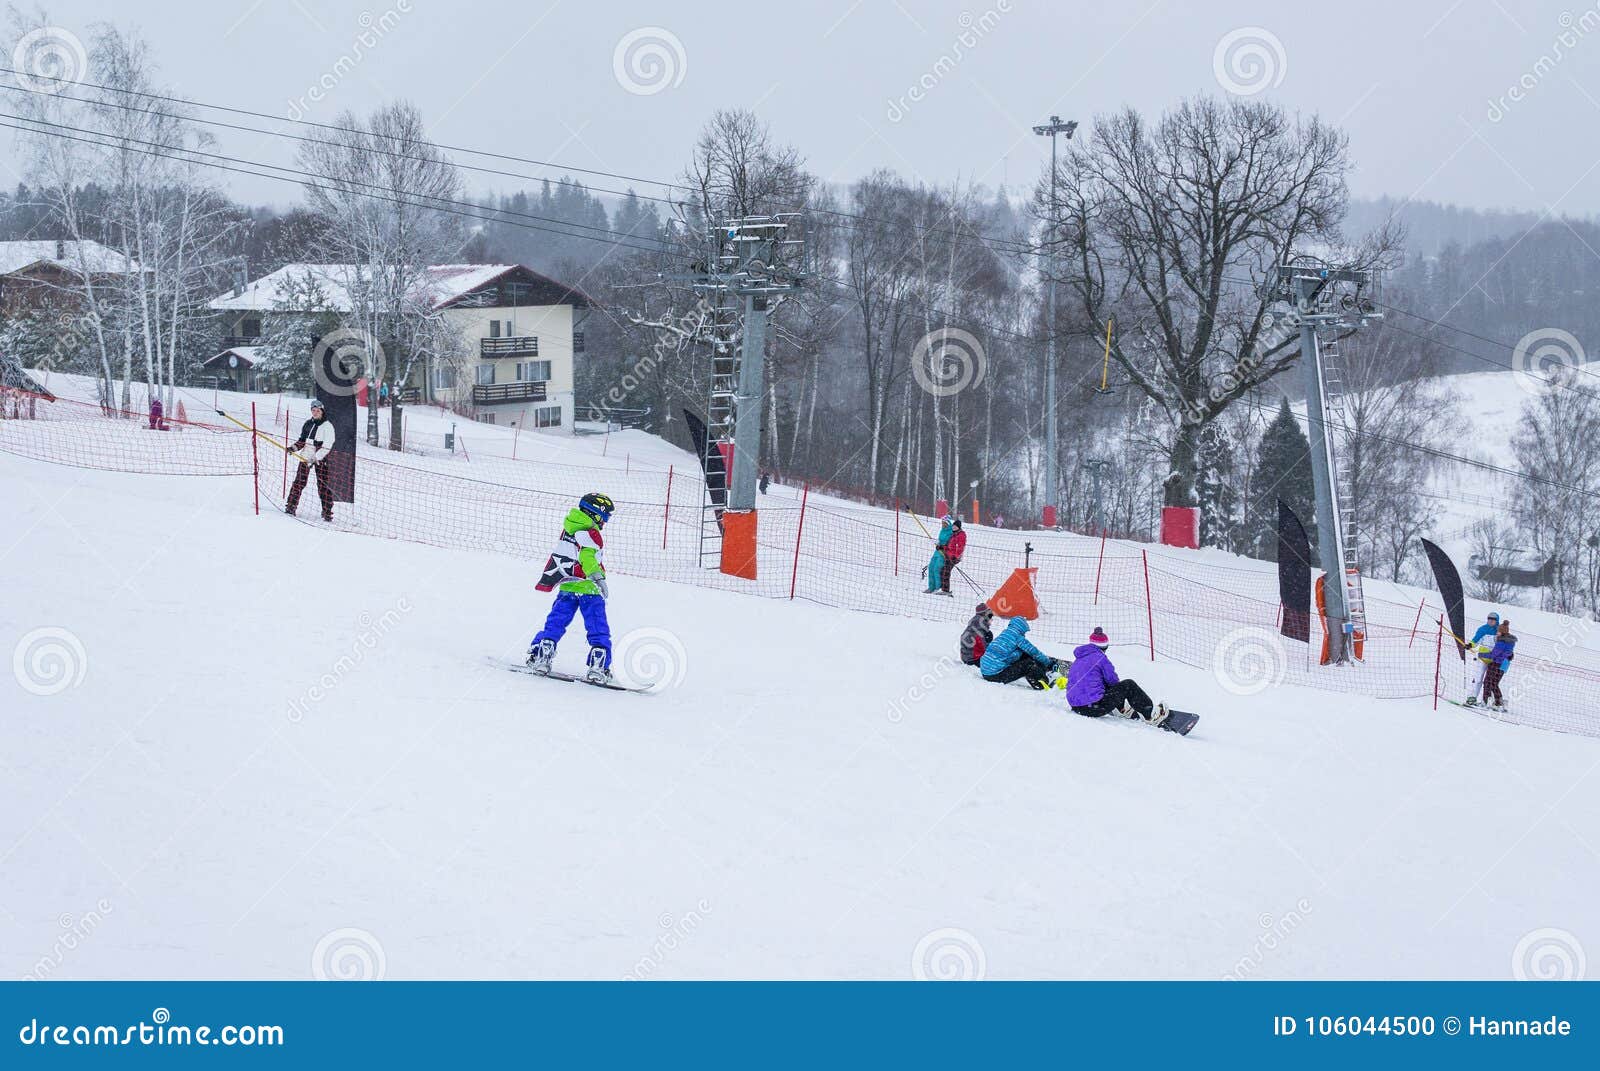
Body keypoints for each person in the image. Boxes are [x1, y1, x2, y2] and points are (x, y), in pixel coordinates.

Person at [529, 492, 616, 683]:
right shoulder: (591, 533)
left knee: (556, 622)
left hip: (567, 585)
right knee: (598, 627)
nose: (604, 522)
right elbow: (587, 557)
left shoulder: (570, 527)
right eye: (604, 517)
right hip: (589, 589)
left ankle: (541, 654)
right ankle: (598, 666)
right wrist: (598, 577)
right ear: (595, 513)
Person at [1066, 627, 1167, 724]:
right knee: (1128, 685)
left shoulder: (1078, 660)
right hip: (1093, 708)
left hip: (1076, 707)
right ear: (1105, 647)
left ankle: (1122, 709)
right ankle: (1151, 715)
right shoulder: (1101, 658)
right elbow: (1113, 681)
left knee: (1099, 681)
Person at [286, 399, 337, 522]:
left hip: (320, 459)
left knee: (323, 485)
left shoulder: (327, 426)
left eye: (317, 411)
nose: (315, 413)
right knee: (299, 482)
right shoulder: (308, 424)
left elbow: (327, 445)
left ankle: (327, 512)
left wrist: (317, 458)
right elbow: (302, 440)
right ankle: (291, 506)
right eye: (313, 410)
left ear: (322, 411)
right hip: (306, 456)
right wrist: (294, 448)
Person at [979, 617, 1063, 689]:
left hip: (985, 672)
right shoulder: (1018, 638)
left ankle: (1041, 670)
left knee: (1023, 654)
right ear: (1022, 629)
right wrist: (1049, 663)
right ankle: (1042, 683)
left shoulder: (1004, 634)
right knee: (1029, 664)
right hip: (995, 675)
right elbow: (1035, 652)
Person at [1463, 611, 1500, 707]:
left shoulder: (1500, 630)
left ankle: (1490, 701)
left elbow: (1505, 643)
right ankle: (1472, 697)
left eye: (1493, 619)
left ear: (1497, 621)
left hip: (1494, 659)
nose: (1491, 621)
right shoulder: (1482, 629)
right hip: (1483, 657)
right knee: (1478, 677)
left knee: (1490, 681)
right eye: (1489, 619)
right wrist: (1470, 645)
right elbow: (1476, 640)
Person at [1480, 619, 1517, 712]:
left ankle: (1487, 700)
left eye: (1498, 631)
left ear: (1502, 632)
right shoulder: (1510, 642)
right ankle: (1498, 701)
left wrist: (1481, 654)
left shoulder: (1501, 642)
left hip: (1496, 664)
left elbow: (1494, 654)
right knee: (1494, 683)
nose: (1497, 633)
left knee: (1488, 682)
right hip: (1503, 665)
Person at [925, 515, 956, 596]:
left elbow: (949, 544)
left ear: (948, 523)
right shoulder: (942, 530)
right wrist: (937, 542)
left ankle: (937, 587)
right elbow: (940, 540)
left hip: (943, 553)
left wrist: (942, 546)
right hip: (937, 551)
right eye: (942, 523)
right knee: (931, 567)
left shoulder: (950, 532)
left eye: (945, 523)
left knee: (936, 569)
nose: (943, 524)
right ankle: (931, 587)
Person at [939, 518, 967, 594]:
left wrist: (956, 556)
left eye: (956, 527)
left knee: (945, 571)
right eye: (953, 526)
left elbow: (960, 547)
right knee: (942, 571)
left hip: (955, 557)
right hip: (949, 556)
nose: (954, 528)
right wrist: (942, 547)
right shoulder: (953, 534)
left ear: (959, 527)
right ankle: (943, 589)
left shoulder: (961, 535)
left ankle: (945, 590)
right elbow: (949, 547)